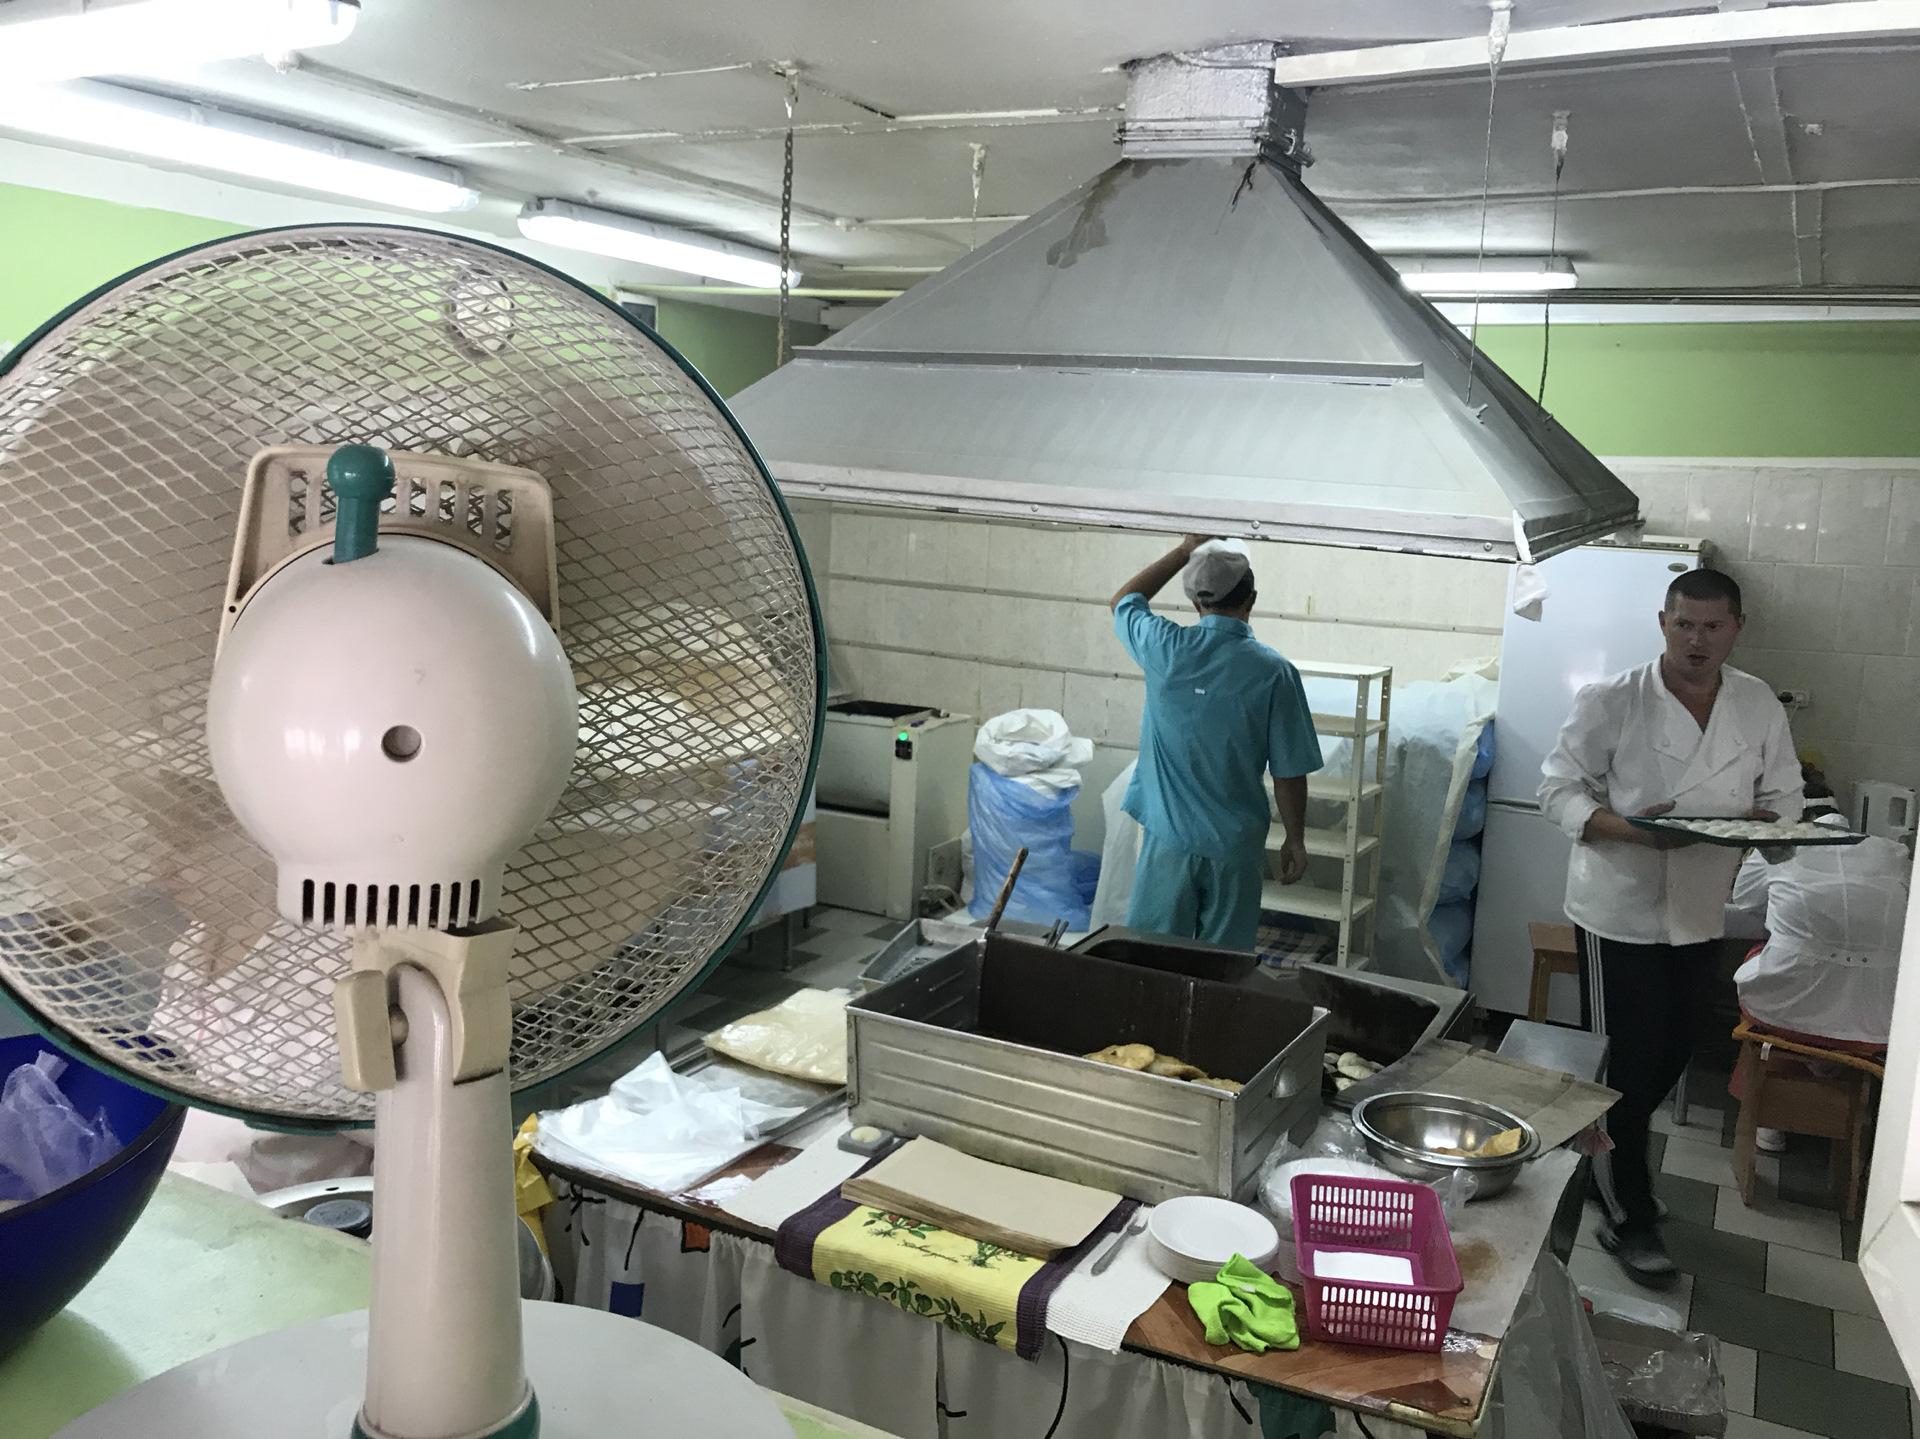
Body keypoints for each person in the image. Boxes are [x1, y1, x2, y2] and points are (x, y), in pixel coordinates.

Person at [1540, 567, 1802, 1286]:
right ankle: (1630, 1212)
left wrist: (1773, 829)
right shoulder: (1613, 698)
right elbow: (1555, 789)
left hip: (1700, 909)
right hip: (1617, 908)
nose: (1697, 639)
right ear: (1663, 623)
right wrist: (1632, 831)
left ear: (1736, 628)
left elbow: (1784, 799)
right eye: (1684, 624)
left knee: (1675, 1050)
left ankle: (1596, 1156)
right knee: (1625, 1066)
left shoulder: (1755, 704)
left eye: (1712, 626)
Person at [1109, 535, 1322, 950]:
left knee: (1151, 961)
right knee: (1223, 968)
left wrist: (1183, 550)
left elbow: (1123, 600)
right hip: (1234, 849)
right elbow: (1289, 773)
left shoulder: (1164, 648)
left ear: (1195, 603)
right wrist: (1295, 839)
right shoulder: (1274, 672)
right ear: (1251, 599)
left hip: (1168, 841)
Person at [1723, 815, 1910, 1148]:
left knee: (1766, 962)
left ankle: (1769, 1116)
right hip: (1875, 1025)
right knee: (1827, 992)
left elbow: (1744, 900)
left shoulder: (1782, 846)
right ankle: (1823, 1074)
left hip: (1782, 1013)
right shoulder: (1893, 854)